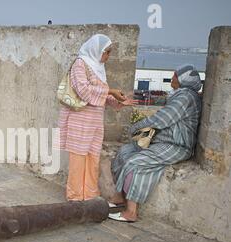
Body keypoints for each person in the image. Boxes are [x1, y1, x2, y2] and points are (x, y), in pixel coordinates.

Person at [109, 64, 203, 222]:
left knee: (136, 162)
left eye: (175, 75)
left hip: (176, 145)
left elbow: (163, 118)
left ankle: (131, 212)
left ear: (182, 80)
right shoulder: (180, 94)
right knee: (124, 152)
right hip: (162, 141)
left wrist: (137, 127)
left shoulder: (186, 97)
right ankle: (119, 197)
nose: (173, 77)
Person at [58, 34, 135, 202]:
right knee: (78, 160)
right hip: (80, 120)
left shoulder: (99, 68)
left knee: (93, 158)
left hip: (94, 122)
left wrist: (119, 102)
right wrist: (111, 91)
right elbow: (84, 91)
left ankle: (90, 196)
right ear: (96, 50)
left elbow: (101, 95)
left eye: (109, 52)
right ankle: (76, 197)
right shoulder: (80, 64)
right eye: (106, 52)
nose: (107, 56)